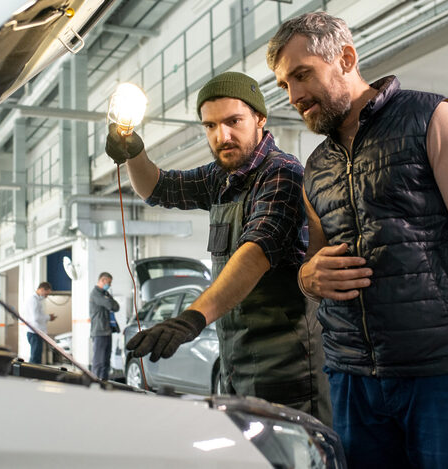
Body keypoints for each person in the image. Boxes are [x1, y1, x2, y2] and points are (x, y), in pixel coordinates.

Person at [266, 11, 448, 468]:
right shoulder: (316, 168)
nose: (294, 96)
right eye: (285, 84)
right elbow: (312, 264)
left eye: (302, 75)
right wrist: (309, 277)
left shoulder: (432, 118)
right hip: (352, 382)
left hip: (442, 374)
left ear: (345, 58)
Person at [105, 71, 331, 424]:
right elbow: (158, 188)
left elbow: (256, 251)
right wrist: (134, 150)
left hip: (288, 371)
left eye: (233, 121)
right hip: (236, 364)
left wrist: (190, 318)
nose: (221, 136)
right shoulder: (220, 177)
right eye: (210, 126)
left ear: (259, 118)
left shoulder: (282, 173)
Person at [89, 272, 120, 381]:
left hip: (107, 331)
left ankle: (104, 383)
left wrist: (109, 300)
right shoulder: (96, 294)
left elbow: (116, 307)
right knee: (99, 361)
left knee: (106, 361)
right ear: (102, 280)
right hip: (99, 332)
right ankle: (95, 384)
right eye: (108, 283)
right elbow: (111, 305)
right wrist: (109, 301)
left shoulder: (105, 294)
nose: (109, 285)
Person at [25, 281, 56, 364]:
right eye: (46, 294)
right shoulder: (33, 300)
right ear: (41, 289)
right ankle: (31, 375)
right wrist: (49, 317)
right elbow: (36, 317)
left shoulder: (37, 300)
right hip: (34, 333)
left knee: (37, 357)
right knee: (35, 358)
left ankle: (34, 375)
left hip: (38, 333)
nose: (46, 296)